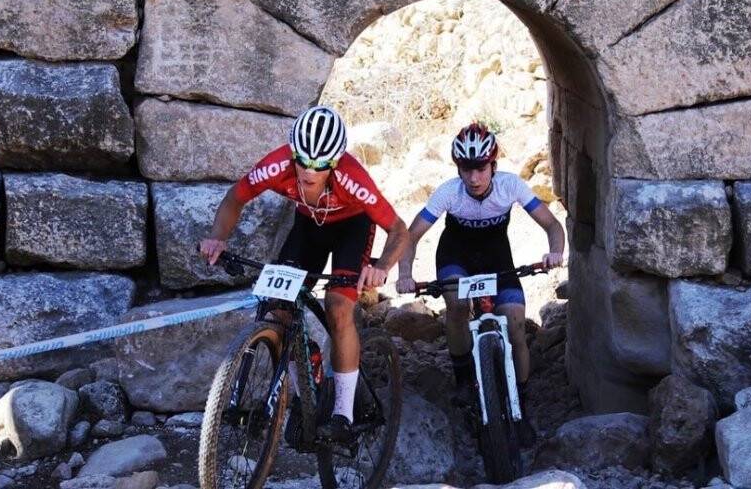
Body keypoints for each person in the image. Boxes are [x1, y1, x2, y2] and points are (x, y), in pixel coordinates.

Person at [200, 105, 409, 442]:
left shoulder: (352, 179)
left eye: (321, 165)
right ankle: (305, 396)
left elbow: (398, 229)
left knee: (339, 307)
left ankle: (343, 412)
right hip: (308, 227)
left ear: (336, 162)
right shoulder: (278, 164)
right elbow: (235, 198)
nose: (309, 171)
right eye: (303, 161)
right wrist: (217, 238)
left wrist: (381, 267)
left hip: (351, 230)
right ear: (292, 153)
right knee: (278, 306)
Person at [395, 122, 565, 445]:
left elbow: (552, 225)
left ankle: (521, 407)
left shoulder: (510, 186)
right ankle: (462, 380)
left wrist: (555, 251)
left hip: (497, 259)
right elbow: (412, 235)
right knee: (457, 306)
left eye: (481, 169)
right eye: (466, 169)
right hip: (455, 257)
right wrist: (405, 273)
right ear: (458, 169)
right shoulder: (449, 192)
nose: (474, 178)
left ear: (493, 166)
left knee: (516, 327)